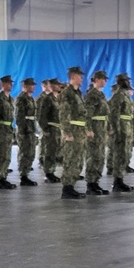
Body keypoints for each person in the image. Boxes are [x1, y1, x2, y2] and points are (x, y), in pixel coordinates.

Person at [58, 65, 88, 199]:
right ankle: (67, 188)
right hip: (73, 131)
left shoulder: (78, 93)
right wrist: (67, 132)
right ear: (73, 77)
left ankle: (71, 186)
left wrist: (85, 130)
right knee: (70, 159)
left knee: (78, 160)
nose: (81, 78)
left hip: (79, 131)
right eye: (79, 76)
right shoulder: (67, 93)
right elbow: (64, 114)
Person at [83, 70, 110, 195]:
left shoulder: (101, 94)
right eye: (103, 79)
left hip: (101, 129)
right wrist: (88, 129)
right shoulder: (92, 94)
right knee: (93, 156)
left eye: (105, 79)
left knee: (100, 156)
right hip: (94, 129)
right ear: (96, 79)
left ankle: (96, 181)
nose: (105, 81)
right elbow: (87, 113)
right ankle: (91, 183)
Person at [109, 73, 134, 191]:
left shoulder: (125, 95)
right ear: (121, 82)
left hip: (127, 128)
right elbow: (114, 114)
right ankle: (117, 181)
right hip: (121, 129)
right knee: (119, 154)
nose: (128, 82)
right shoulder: (118, 95)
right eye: (125, 80)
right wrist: (116, 130)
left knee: (124, 154)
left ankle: (120, 179)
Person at [0, 75, 16, 190]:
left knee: (7, 155)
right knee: (1, 155)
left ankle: (4, 176)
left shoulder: (11, 99)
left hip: (8, 130)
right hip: (1, 130)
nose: (11, 85)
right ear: (2, 85)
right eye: (8, 83)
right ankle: (0, 179)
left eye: (11, 83)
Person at [14, 76, 39, 186]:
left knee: (31, 152)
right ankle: (23, 175)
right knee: (24, 152)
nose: (33, 87)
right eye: (31, 85)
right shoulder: (21, 98)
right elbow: (19, 116)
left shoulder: (31, 98)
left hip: (31, 128)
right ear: (25, 86)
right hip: (24, 129)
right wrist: (22, 131)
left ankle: (26, 172)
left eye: (33, 85)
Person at [37, 77, 61, 182]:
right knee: (49, 151)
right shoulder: (48, 99)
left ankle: (52, 170)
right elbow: (42, 115)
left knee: (55, 151)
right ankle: (48, 172)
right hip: (51, 128)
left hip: (58, 128)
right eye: (56, 84)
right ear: (51, 86)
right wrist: (45, 129)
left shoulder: (58, 98)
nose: (59, 86)